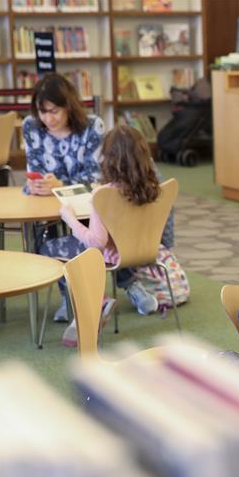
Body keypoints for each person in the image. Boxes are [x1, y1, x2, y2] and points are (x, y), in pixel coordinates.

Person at [38, 125, 165, 346]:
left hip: (111, 255)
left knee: (48, 248)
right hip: (143, 250)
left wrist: (70, 219)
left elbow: (96, 243)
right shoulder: (155, 188)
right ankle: (127, 289)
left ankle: (87, 304)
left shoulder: (103, 194)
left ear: (108, 158)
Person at [22, 73, 104, 196]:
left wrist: (61, 186)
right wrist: (35, 186)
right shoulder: (31, 126)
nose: (49, 119)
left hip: (83, 205)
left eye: (55, 111)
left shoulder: (93, 127)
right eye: (42, 112)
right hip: (43, 203)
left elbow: (95, 182)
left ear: (69, 107)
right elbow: (35, 173)